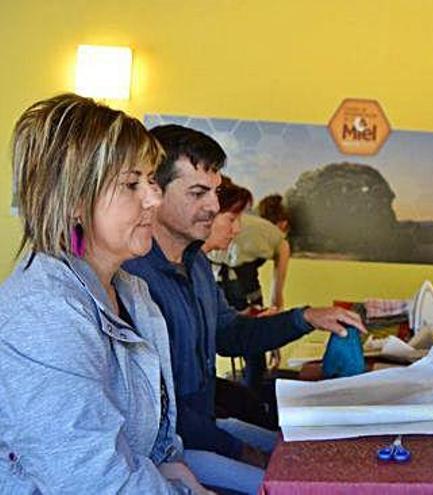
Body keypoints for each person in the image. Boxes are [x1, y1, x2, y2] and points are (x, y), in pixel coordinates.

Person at [124, 124, 365, 495]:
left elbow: (231, 334)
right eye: (198, 193)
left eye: (215, 193)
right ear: (155, 191)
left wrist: (304, 318)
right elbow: (157, 413)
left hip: (205, 429)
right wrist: (239, 449)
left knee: (310, 453)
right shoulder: (131, 278)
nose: (214, 207)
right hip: (168, 450)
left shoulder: (197, 264)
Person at [0, 94, 210, 493]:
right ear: (75, 202)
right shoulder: (42, 315)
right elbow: (93, 484)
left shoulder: (134, 294)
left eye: (151, 180)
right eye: (132, 184)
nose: (155, 197)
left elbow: (156, 444)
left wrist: (175, 469)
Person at [214, 191, 292, 392]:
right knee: (254, 348)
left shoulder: (237, 221)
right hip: (246, 291)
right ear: (283, 224)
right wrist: (274, 341)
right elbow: (277, 294)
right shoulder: (280, 240)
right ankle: (253, 401)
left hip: (214, 283)